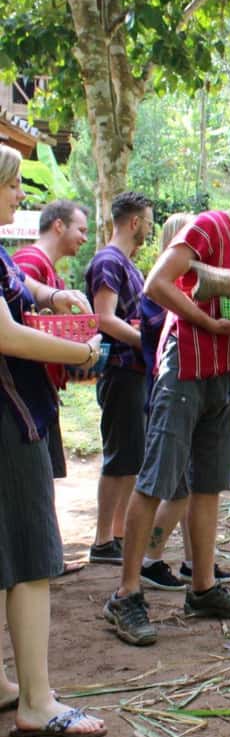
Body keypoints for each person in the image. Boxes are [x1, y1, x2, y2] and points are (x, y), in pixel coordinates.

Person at [105, 161, 230, 645]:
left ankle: (202, 588)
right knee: (156, 481)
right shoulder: (208, 227)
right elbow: (158, 282)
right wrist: (209, 323)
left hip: (224, 375)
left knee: (209, 485)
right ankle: (126, 594)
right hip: (185, 369)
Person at [0, 143, 106, 737]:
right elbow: (6, 335)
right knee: (32, 559)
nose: (21, 195)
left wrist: (50, 296)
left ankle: (2, 683)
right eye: (13, 184)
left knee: (3, 556)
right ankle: (38, 703)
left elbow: (19, 290)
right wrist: (80, 352)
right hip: (10, 418)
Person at [136, 212, 230, 591]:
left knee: (198, 487)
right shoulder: (163, 295)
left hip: (196, 394)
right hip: (171, 393)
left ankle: (197, 565)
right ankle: (148, 560)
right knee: (174, 490)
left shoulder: (188, 290)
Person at [13, 200, 91, 575]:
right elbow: (20, 330)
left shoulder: (40, 269)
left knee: (42, 482)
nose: (85, 238)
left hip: (39, 392)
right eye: (81, 229)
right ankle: (40, 560)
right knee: (31, 487)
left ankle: (50, 556)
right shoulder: (29, 261)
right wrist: (79, 351)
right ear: (58, 226)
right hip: (21, 397)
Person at [84, 191, 154, 565]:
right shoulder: (109, 261)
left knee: (131, 458)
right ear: (134, 222)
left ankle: (118, 533)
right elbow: (105, 319)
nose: (151, 228)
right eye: (149, 221)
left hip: (135, 372)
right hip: (121, 371)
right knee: (119, 457)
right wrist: (146, 340)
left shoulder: (127, 263)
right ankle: (102, 541)